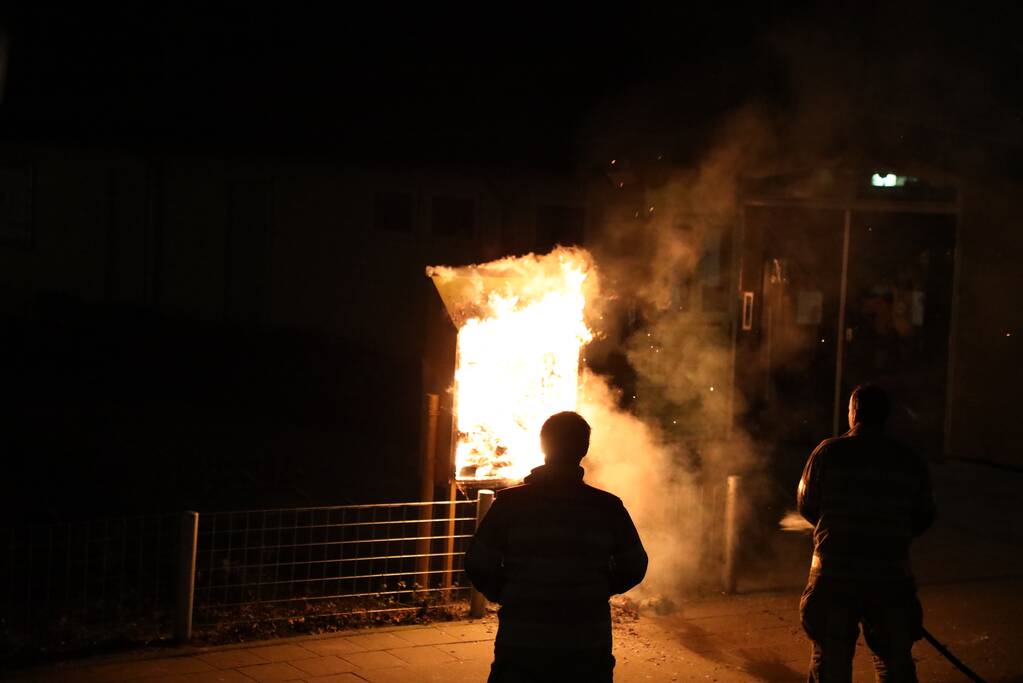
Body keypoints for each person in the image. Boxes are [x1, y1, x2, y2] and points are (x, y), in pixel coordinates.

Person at [465, 411, 648, 683]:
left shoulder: (509, 505)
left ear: (542, 446)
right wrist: (598, 588)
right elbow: (635, 564)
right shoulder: (607, 508)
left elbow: (478, 563)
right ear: (584, 449)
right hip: (586, 651)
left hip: (522, 650)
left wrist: (508, 593)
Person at [798, 385, 936, 683]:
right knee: (894, 662)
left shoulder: (828, 452)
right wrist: (889, 537)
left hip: (834, 577)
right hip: (890, 578)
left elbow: (807, 505)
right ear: (885, 416)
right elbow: (924, 514)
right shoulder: (908, 459)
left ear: (854, 413)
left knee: (830, 664)